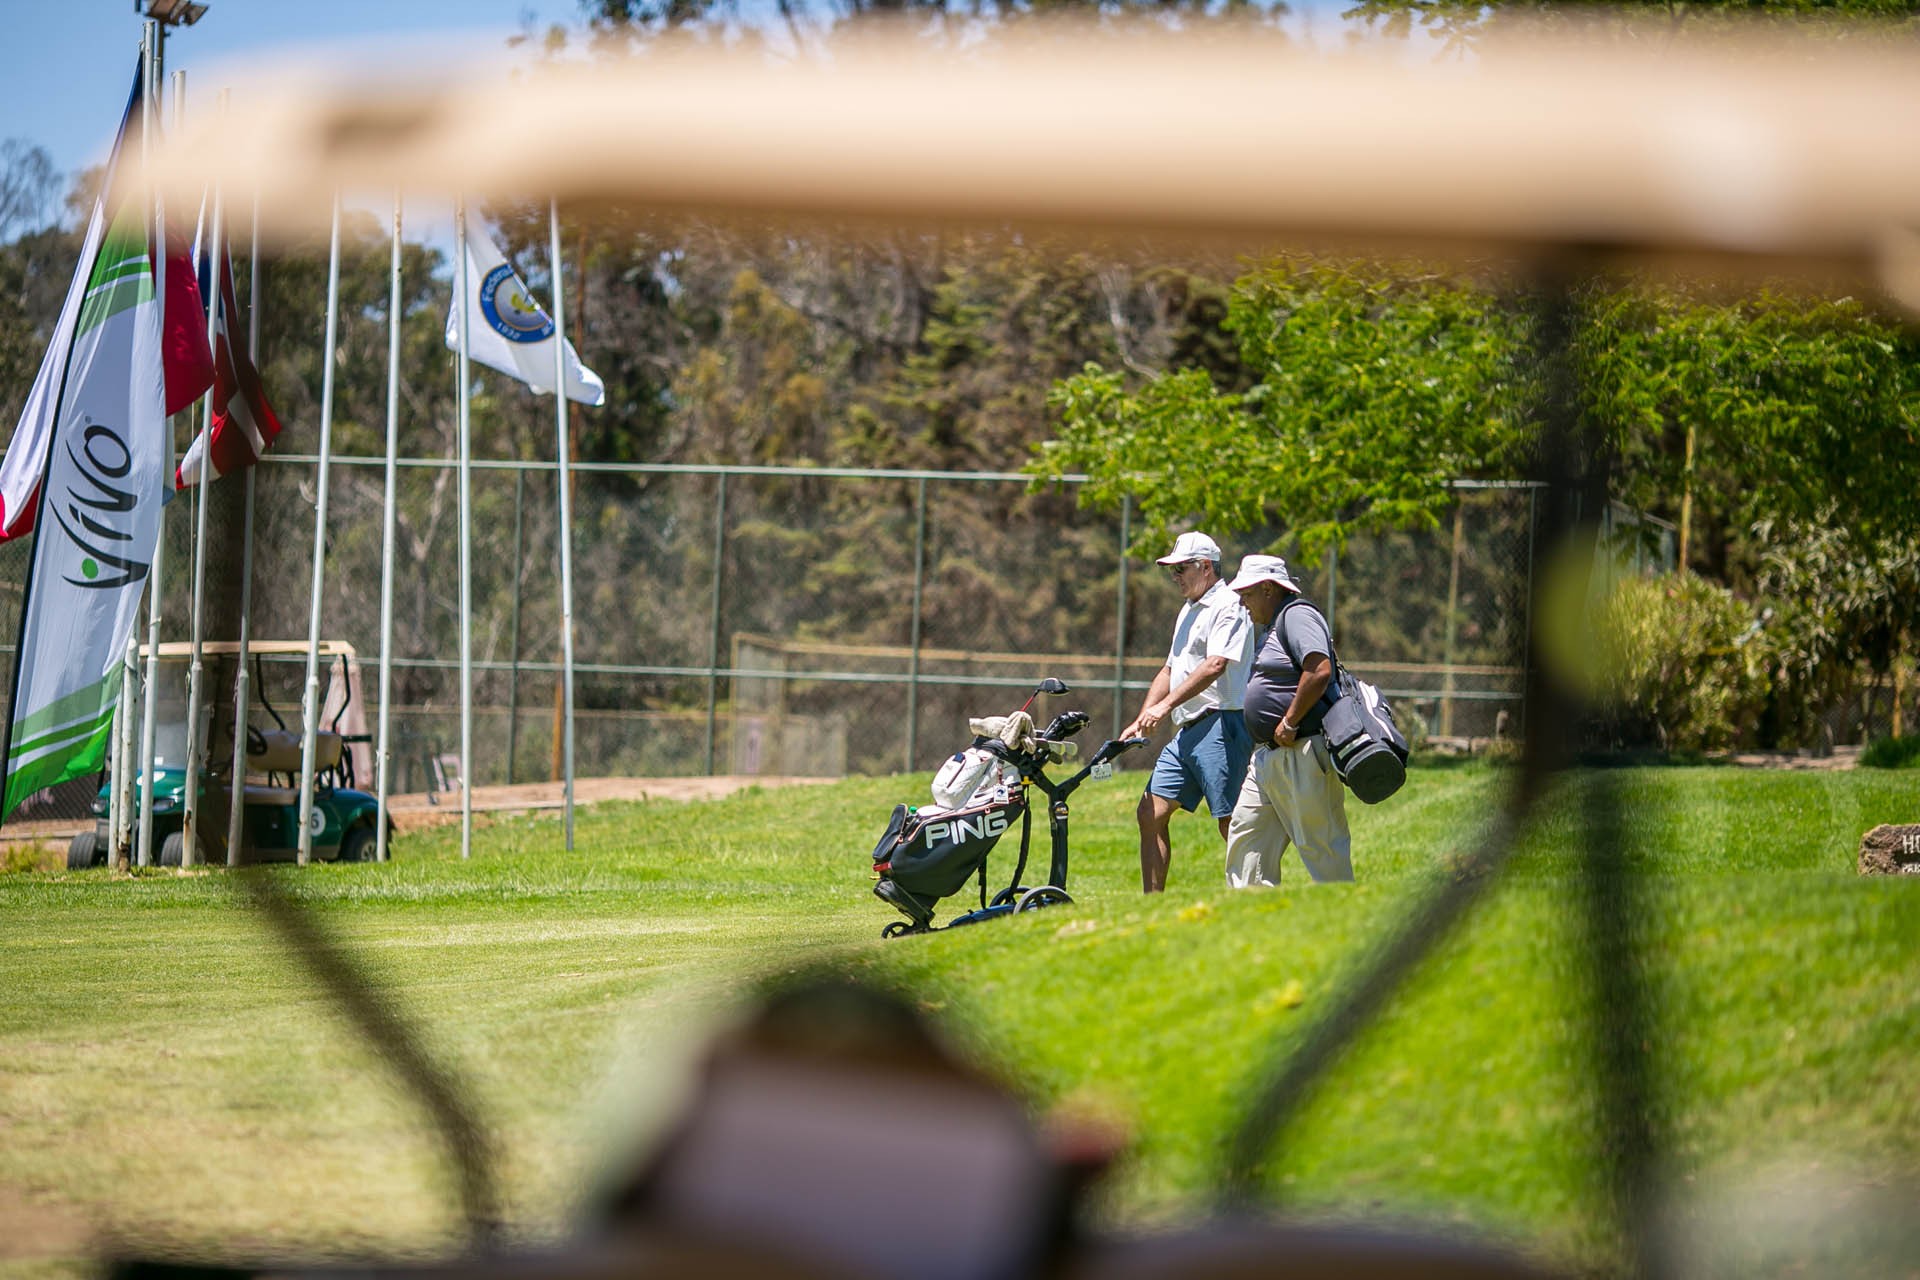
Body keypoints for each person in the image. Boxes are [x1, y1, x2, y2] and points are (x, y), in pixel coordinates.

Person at [1123, 531, 1254, 894]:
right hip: (1188, 731)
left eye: (1181, 568)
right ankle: (1152, 904)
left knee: (1230, 822)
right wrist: (1143, 717)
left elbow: (1215, 665)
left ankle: (1253, 898)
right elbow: (1169, 670)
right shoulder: (1188, 609)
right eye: (1172, 570)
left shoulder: (1230, 604)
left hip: (1221, 723)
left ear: (1206, 567)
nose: (1175, 576)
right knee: (1150, 813)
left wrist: (1165, 707)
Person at [1223, 554, 1352, 887]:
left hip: (1300, 749)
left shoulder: (1297, 615)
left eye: (1247, 594)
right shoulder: (1272, 625)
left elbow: (1319, 669)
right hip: (1268, 757)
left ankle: (1343, 907)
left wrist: (1290, 720)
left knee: (1321, 846)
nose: (1242, 602)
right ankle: (1248, 913)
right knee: (1247, 837)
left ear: (1268, 588)